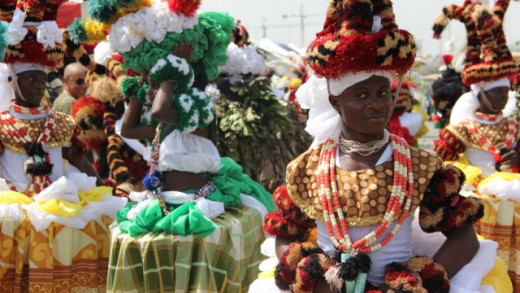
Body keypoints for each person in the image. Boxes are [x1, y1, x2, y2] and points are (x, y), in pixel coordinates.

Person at [252, 0, 506, 292]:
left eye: (383, 92)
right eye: (360, 95)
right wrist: (319, 281)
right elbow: (284, 236)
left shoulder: (420, 167)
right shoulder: (307, 168)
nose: (377, 104)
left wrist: (418, 283)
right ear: (335, 102)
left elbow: (465, 241)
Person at [69, 1, 275, 291]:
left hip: (196, 200)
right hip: (165, 199)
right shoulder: (164, 125)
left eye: (158, 81)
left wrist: (168, 75)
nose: (152, 85)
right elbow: (128, 129)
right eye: (151, 80)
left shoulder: (197, 107)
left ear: (178, 76)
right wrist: (139, 90)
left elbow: (159, 111)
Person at [0, 3, 126, 291]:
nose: (36, 85)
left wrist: (106, 186)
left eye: (41, 79)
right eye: (30, 79)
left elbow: (79, 162)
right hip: (14, 215)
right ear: (13, 80)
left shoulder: (62, 123)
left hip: (60, 210)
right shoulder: (2, 123)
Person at [433, 0, 520, 290]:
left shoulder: (513, 125)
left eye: (506, 92)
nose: (503, 99)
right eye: (496, 93)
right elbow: (439, 167)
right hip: (481, 205)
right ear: (480, 92)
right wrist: (474, 181)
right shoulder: (461, 130)